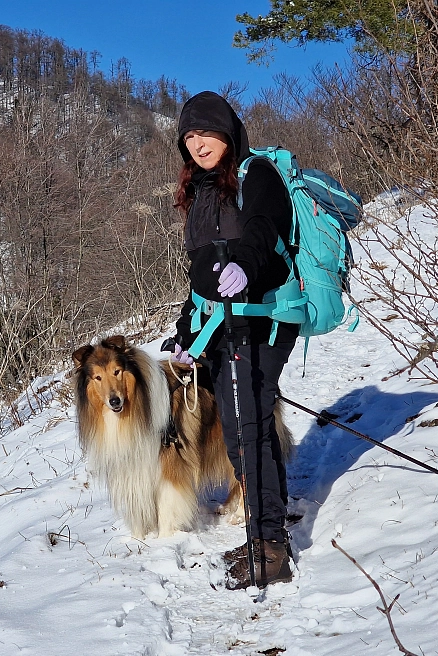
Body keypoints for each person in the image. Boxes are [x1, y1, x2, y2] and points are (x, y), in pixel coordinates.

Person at [168, 91, 297, 589]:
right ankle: (264, 533)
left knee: (248, 426)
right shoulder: (202, 193)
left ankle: (270, 552)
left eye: (205, 132)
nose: (197, 143)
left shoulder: (256, 173)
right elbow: (201, 273)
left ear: (227, 131)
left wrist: (245, 264)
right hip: (221, 322)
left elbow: (264, 228)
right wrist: (185, 332)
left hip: (262, 316)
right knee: (243, 429)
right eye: (188, 136)